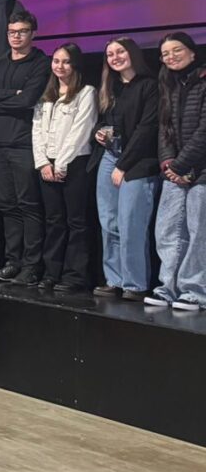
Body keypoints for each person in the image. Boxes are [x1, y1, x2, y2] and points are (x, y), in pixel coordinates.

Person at [0, 9, 51, 285]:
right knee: (7, 206)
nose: (16, 37)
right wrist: (11, 94)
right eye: (12, 32)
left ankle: (32, 266)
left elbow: (28, 100)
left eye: (22, 32)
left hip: (24, 144)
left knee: (28, 205)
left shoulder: (40, 63)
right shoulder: (0, 63)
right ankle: (13, 262)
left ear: (33, 33)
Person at [93, 38, 159, 302]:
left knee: (131, 223)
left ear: (132, 53)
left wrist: (123, 165)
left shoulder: (149, 85)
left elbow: (147, 129)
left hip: (138, 161)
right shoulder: (111, 87)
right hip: (111, 155)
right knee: (108, 223)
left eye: (120, 51)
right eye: (110, 54)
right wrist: (99, 132)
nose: (115, 57)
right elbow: (104, 120)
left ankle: (135, 284)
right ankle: (114, 280)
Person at [146, 33, 205, 311]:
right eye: (165, 53)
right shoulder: (168, 84)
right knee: (167, 231)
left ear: (192, 52)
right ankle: (167, 287)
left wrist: (181, 165)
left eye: (177, 50)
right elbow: (164, 128)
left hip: (201, 170)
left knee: (198, 232)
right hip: (175, 172)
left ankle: (195, 291)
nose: (171, 56)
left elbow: (204, 130)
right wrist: (169, 164)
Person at [31, 45, 96, 293]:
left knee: (76, 222)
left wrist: (61, 163)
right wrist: (42, 162)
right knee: (54, 221)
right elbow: (37, 130)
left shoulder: (86, 92)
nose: (60, 66)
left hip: (74, 163)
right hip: (47, 164)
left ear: (75, 64)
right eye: (56, 61)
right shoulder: (46, 94)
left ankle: (75, 275)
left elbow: (81, 131)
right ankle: (52, 273)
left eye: (66, 61)